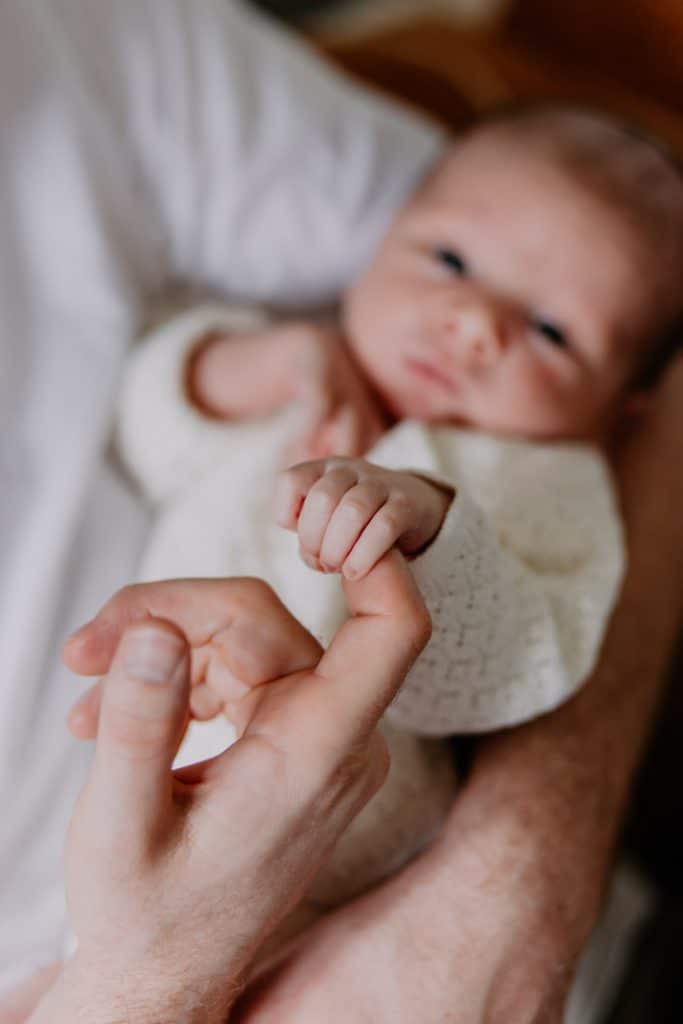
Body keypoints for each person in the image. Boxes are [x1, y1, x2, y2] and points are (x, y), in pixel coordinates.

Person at [0, 0, 682, 1020]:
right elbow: (151, 430)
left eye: (548, 331)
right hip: (111, 876)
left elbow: (519, 665)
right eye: (447, 263)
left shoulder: (541, 484)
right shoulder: (305, 381)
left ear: (614, 409)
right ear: (380, 245)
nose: (472, 322)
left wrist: (426, 528)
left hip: (347, 887)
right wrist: (227, 366)